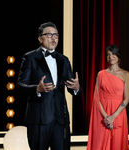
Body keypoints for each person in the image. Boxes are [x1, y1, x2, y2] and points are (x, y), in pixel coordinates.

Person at [17, 22, 81, 150]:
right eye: (49, 34)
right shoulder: (30, 58)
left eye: (56, 35)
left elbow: (72, 86)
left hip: (60, 120)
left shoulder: (64, 59)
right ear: (40, 38)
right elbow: (20, 86)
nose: (53, 38)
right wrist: (37, 89)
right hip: (39, 120)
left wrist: (76, 87)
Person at [87, 44, 129, 150]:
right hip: (103, 115)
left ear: (118, 56)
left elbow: (127, 98)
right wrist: (107, 117)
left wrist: (113, 117)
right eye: (108, 54)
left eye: (113, 54)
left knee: (116, 144)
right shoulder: (101, 74)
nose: (111, 56)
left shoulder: (125, 74)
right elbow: (96, 97)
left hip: (118, 113)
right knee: (101, 144)